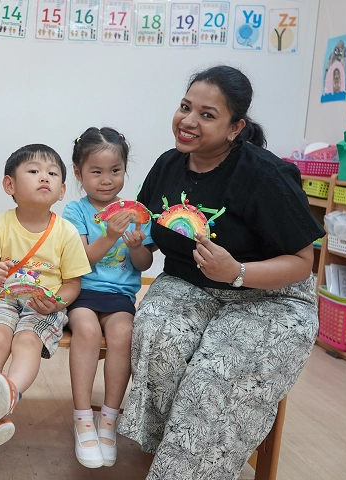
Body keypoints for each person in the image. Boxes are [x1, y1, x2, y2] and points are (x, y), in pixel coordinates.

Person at [117, 65, 324, 479]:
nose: (188, 121)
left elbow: (304, 263)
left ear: (235, 127)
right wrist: (135, 243)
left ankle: (189, 470)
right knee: (158, 333)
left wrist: (239, 271)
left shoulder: (265, 175)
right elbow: (151, 245)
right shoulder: (167, 166)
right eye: (185, 107)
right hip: (189, 286)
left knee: (215, 373)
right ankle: (166, 453)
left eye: (207, 115)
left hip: (270, 296)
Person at [0, 144, 91, 457]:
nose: (44, 178)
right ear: (9, 184)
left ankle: (9, 393)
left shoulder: (66, 231)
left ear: (62, 190)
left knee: (27, 340)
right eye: (34, 171)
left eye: (52, 174)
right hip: (4, 297)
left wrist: (58, 303)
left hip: (44, 303)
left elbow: (72, 283)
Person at [62, 127, 154, 468]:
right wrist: (110, 235)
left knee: (123, 333)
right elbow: (80, 260)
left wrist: (135, 246)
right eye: (96, 172)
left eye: (115, 171)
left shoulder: (136, 212)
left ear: (125, 170)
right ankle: (83, 417)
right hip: (82, 290)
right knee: (85, 330)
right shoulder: (75, 212)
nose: (106, 180)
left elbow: (144, 264)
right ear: (78, 173)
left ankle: (109, 419)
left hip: (119, 296)